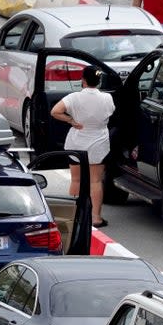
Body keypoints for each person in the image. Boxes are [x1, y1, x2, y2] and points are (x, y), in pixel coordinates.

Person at [50, 65, 114, 228]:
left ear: (83, 80)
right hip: (99, 142)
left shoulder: (73, 97)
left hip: (77, 141)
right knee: (96, 181)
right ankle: (96, 218)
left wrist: (71, 120)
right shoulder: (107, 98)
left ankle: (74, 216)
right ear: (98, 81)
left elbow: (55, 111)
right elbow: (111, 113)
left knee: (76, 180)